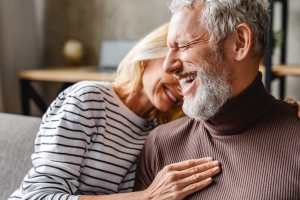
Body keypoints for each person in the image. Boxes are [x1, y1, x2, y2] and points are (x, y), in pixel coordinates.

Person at [9, 24, 221, 200]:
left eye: (191, 81)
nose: (181, 89)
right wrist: (147, 197)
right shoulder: (88, 99)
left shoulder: (156, 131)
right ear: (150, 56)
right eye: (178, 73)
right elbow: (37, 196)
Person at [136, 0, 300, 199]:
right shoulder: (161, 144)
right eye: (170, 49)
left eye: (184, 46)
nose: (168, 65)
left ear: (240, 42)